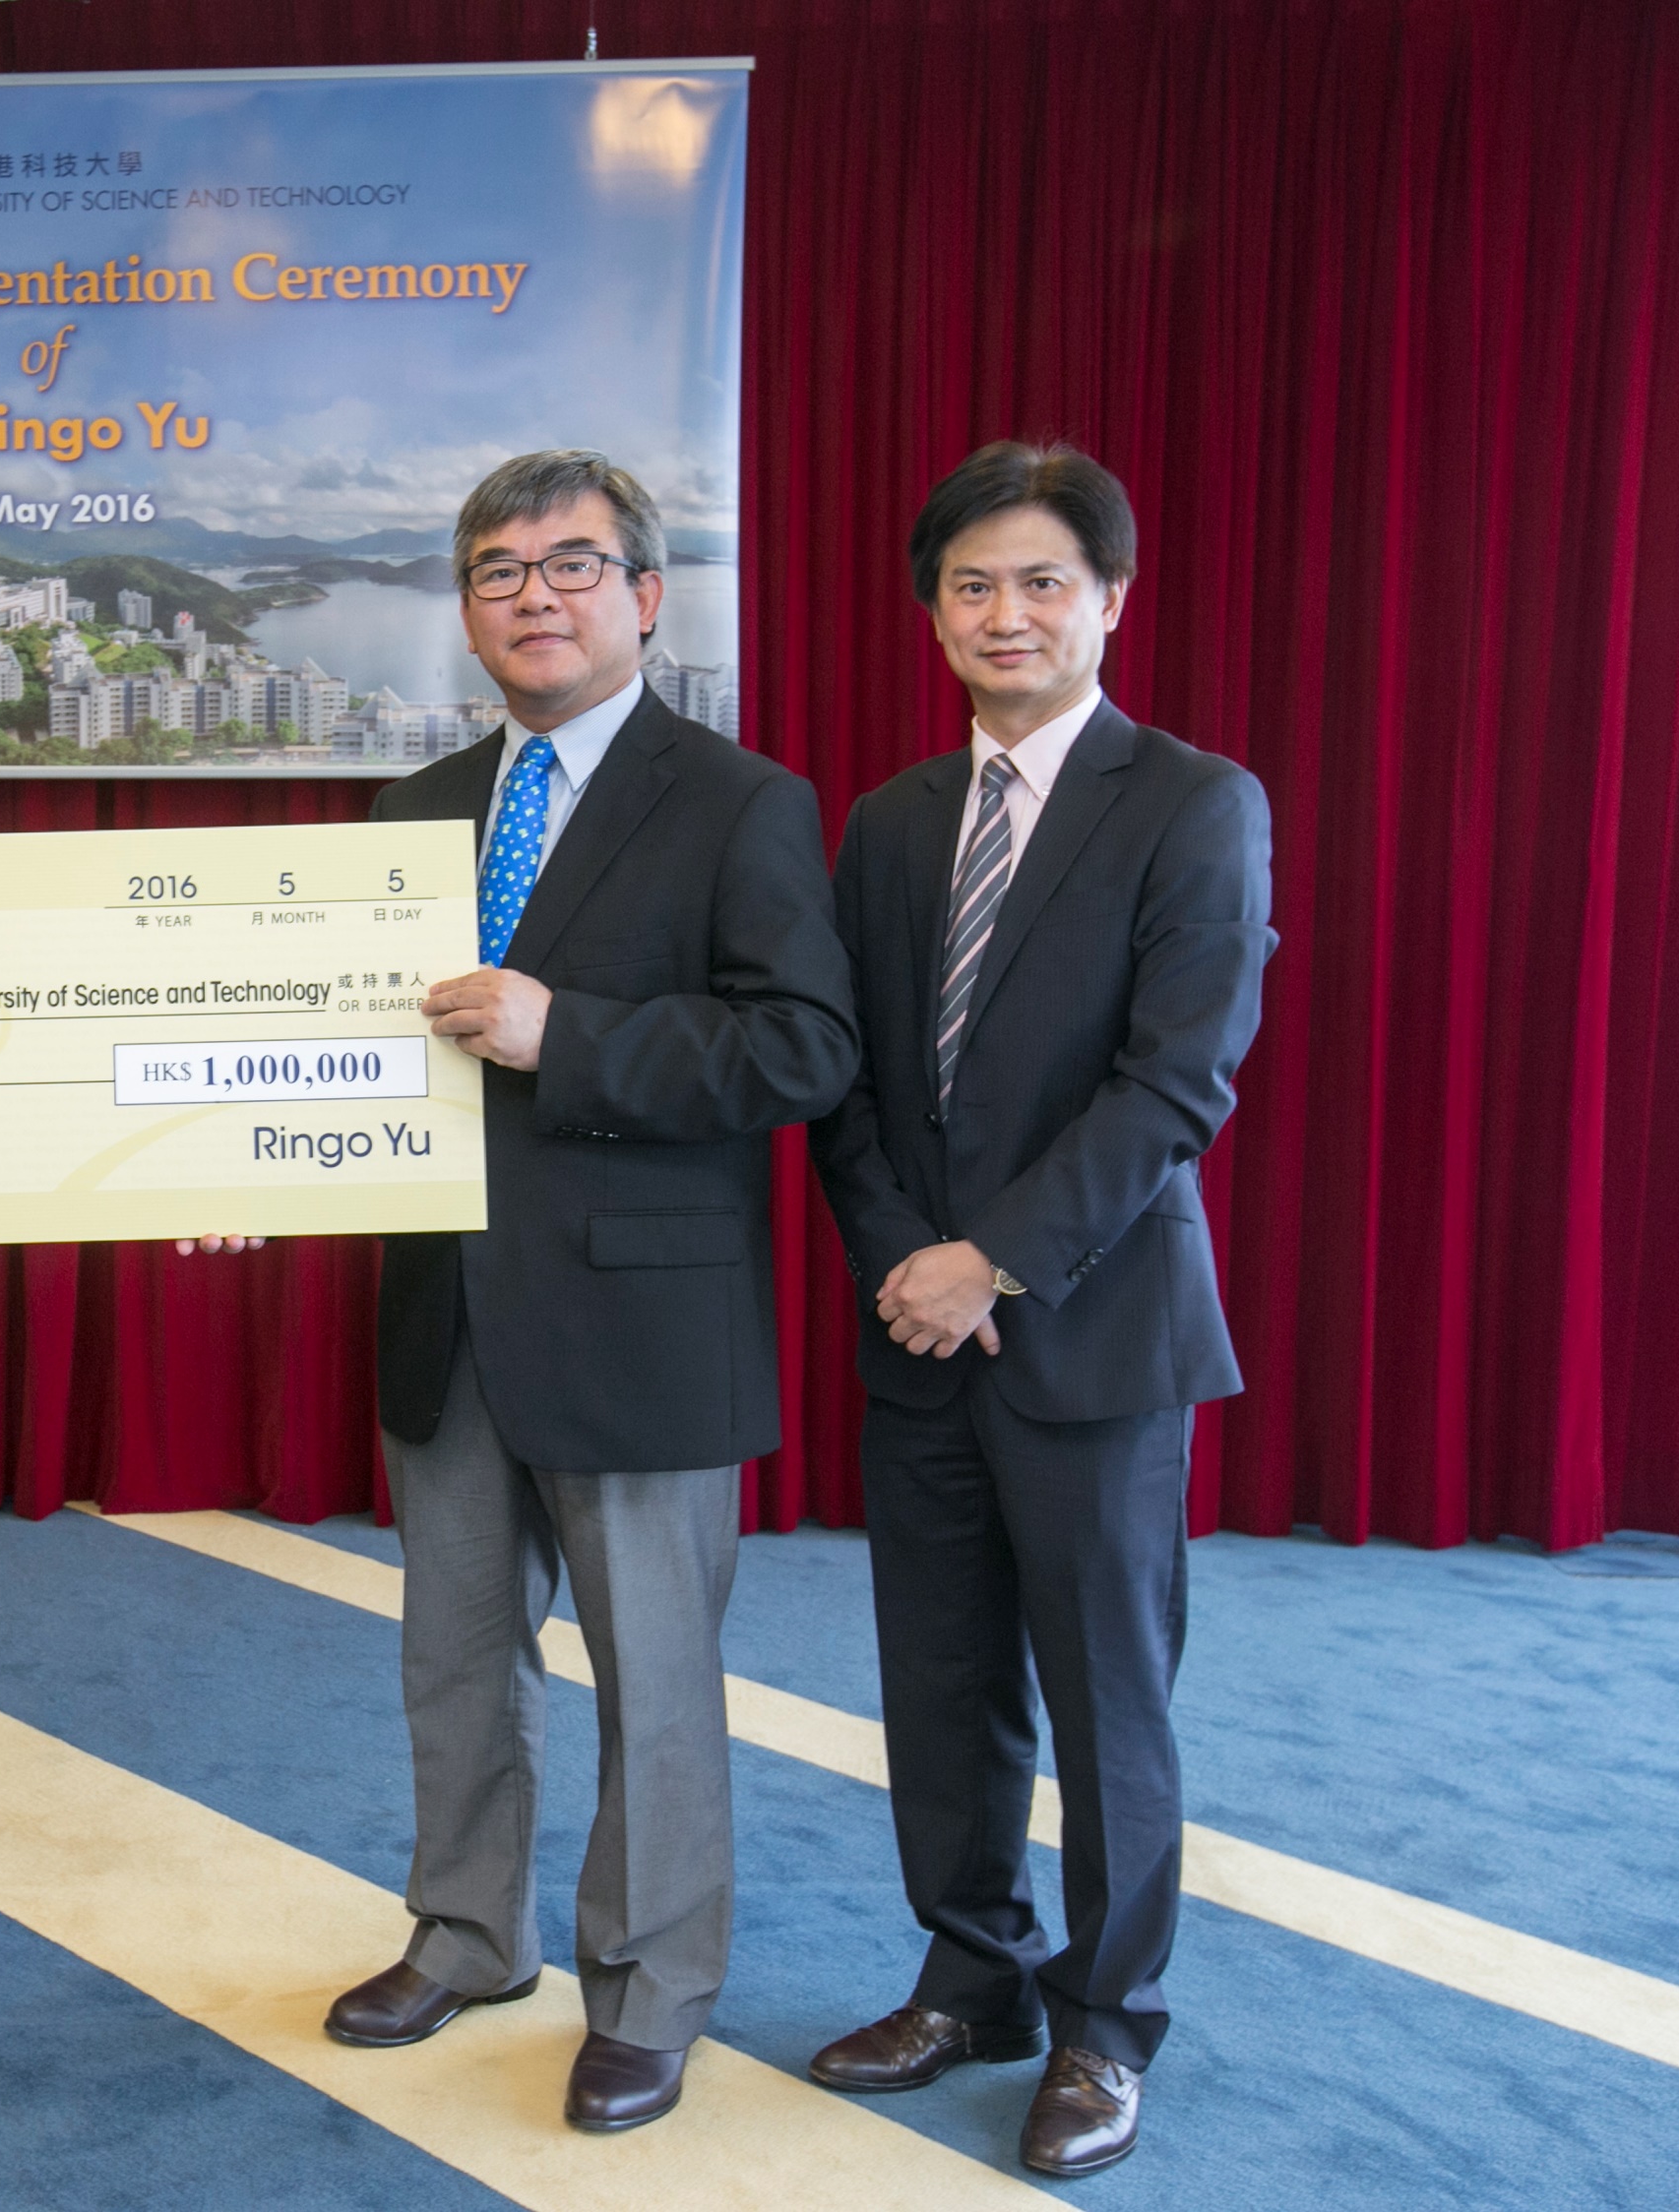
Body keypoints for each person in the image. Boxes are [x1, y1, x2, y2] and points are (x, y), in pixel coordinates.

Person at [318, 450, 859, 2132]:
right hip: (447, 1312)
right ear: (465, 610)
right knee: (454, 1661)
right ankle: (467, 1932)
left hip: (639, 1317)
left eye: (569, 564)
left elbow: (805, 1046)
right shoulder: (407, 814)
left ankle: (648, 1989)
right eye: (494, 570)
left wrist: (578, 1036)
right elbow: (334, 1060)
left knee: (656, 1680)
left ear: (644, 594)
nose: (531, 595)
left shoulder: (738, 799)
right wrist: (244, 1170)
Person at [804, 442, 1274, 2177]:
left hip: (1086, 1327)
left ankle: (1103, 2025)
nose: (1006, 614)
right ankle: (970, 1974)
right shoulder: (888, 821)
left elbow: (1174, 1086)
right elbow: (843, 1076)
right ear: (933, 615)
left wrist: (987, 1259)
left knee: (1103, 1694)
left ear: (1109, 602)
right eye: (971, 586)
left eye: (1041, 583)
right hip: (916, 1326)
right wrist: (902, 1266)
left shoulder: (1190, 801)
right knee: (937, 1683)